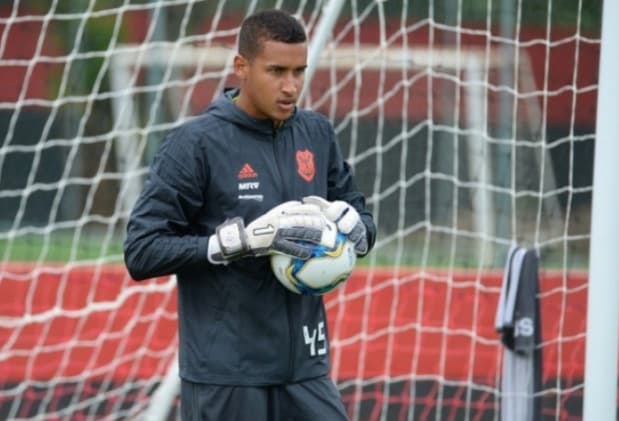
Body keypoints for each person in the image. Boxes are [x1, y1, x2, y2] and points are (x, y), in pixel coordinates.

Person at [124, 8, 376, 421]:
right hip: (228, 374)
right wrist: (235, 244)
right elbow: (142, 251)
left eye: (299, 71)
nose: (291, 86)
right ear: (241, 66)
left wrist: (356, 228)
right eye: (276, 70)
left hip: (306, 371)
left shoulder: (316, 133)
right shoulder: (195, 144)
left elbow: (360, 215)